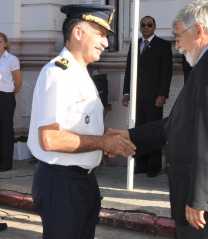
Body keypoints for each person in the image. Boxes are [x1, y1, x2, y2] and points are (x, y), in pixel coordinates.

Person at [109, 1, 208, 238]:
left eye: (178, 36)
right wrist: (130, 136)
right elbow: (179, 123)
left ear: (198, 30)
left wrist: (200, 198)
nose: (176, 44)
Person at [27, 4, 136, 239]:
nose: (106, 43)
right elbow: (50, 137)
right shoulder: (58, 73)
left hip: (82, 182)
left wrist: (111, 135)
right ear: (78, 33)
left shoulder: (80, 73)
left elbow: (79, 126)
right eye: (101, 35)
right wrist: (102, 143)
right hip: (61, 184)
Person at [122, 15, 173, 177]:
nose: (146, 27)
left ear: (154, 27)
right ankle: (141, 164)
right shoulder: (135, 44)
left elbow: (167, 72)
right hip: (138, 96)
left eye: (149, 25)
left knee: (154, 131)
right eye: (143, 25)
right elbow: (129, 70)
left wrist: (163, 94)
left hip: (154, 97)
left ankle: (154, 166)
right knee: (138, 131)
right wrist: (126, 92)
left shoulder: (162, 45)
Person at [0, 32, 22, 171]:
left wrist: (10, 94)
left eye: (0, 41)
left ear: (6, 44)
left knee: (5, 130)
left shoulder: (11, 59)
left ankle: (6, 163)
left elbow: (18, 82)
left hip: (5, 97)